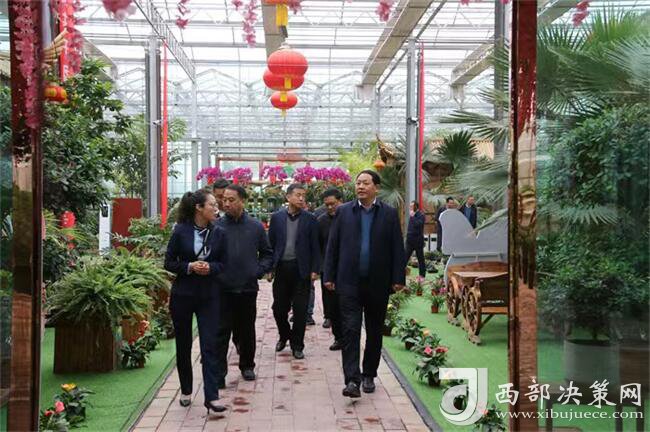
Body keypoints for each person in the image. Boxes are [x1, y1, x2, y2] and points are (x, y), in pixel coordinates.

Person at [324, 170, 406, 398]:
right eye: (358, 183)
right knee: (350, 330)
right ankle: (352, 380)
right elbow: (333, 245)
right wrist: (328, 275)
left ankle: (369, 373)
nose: (360, 187)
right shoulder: (343, 212)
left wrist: (398, 278)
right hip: (349, 282)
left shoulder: (388, 214)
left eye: (365, 183)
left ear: (376, 188)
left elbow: (397, 247)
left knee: (374, 330)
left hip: (378, 283)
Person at [164, 189, 228, 414]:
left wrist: (210, 267)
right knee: (183, 345)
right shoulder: (180, 231)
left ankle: (212, 396)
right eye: (212, 204)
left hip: (209, 296)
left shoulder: (219, 233)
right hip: (183, 295)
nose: (216, 208)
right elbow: (169, 262)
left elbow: (224, 264)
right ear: (198, 208)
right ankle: (186, 390)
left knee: (210, 345)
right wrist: (189, 267)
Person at [215, 184, 273, 384]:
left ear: (242, 201)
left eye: (231, 200)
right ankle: (219, 373)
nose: (226, 204)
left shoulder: (255, 226)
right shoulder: (216, 227)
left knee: (247, 329)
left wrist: (257, 271)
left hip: (247, 288)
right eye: (224, 200)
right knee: (221, 331)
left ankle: (247, 366)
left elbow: (267, 254)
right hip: (222, 288)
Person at [268, 183, 320, 359]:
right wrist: (270, 268)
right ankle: (284, 335)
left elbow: (315, 246)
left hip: (301, 270)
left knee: (300, 310)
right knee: (278, 309)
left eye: (303, 195)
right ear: (288, 197)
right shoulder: (277, 218)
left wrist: (315, 269)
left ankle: (297, 345)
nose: (301, 198)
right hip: (282, 269)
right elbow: (271, 244)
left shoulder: (310, 219)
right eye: (298, 195)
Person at [317, 188, 343, 350]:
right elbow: (318, 245)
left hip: (347, 268)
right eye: (326, 205)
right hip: (328, 269)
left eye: (333, 204)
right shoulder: (321, 221)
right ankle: (338, 337)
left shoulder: (350, 218)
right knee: (332, 305)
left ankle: (348, 337)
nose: (330, 207)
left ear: (341, 201)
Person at [405, 200, 426, 278]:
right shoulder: (411, 215)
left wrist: (413, 217)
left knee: (421, 259)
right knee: (405, 258)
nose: (410, 207)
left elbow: (418, 224)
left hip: (418, 241)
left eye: (412, 206)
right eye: (410, 206)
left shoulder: (421, 215)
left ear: (416, 207)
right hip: (410, 241)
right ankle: (399, 275)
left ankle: (422, 276)